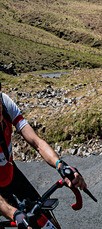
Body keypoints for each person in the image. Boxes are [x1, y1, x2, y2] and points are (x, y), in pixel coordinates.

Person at [1, 88, 89, 228]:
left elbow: (37, 142)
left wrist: (61, 165)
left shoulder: (5, 102)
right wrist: (14, 213)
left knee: (45, 222)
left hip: (10, 173)